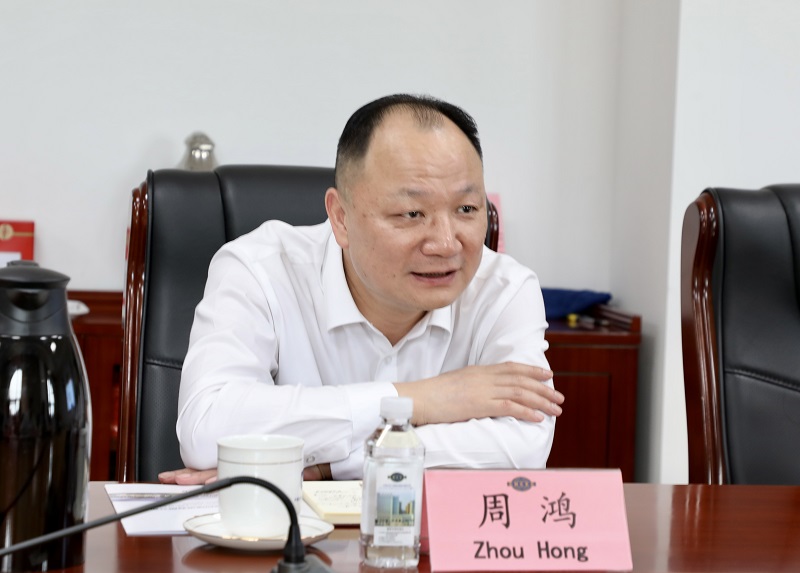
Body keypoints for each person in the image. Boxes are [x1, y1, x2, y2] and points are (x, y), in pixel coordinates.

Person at [159, 94, 563, 486]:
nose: (445, 243)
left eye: (466, 209)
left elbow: (523, 448)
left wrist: (328, 467)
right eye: (412, 213)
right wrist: (420, 400)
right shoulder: (259, 269)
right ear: (341, 218)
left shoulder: (505, 290)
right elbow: (206, 431)